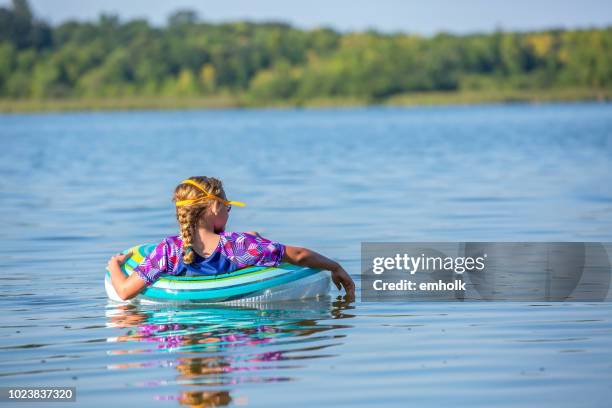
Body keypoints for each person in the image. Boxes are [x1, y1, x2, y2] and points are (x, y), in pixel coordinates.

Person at [107, 176, 355, 301]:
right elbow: (299, 256)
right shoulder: (239, 246)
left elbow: (125, 292)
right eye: (227, 207)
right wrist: (335, 266)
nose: (229, 212)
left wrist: (114, 266)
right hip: (236, 324)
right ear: (215, 207)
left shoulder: (167, 250)